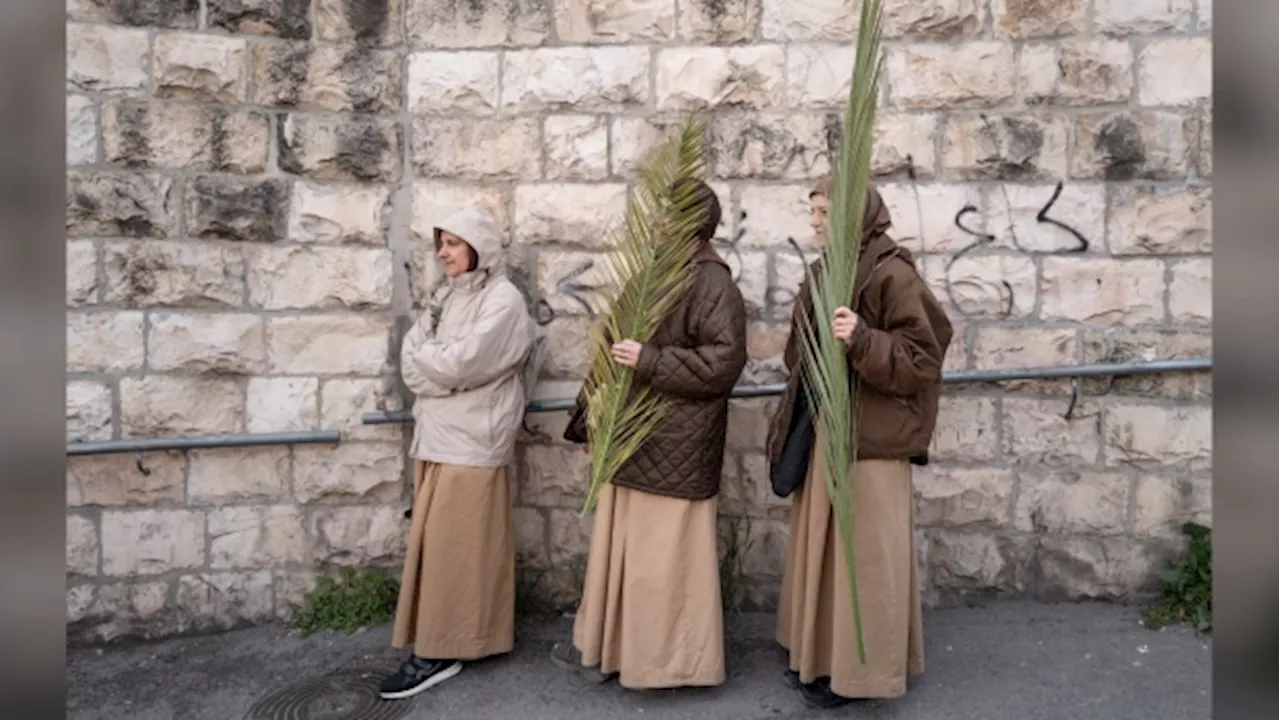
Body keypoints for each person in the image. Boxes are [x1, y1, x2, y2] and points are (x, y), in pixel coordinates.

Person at [552, 179, 748, 690]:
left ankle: (671, 665)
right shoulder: (650, 274)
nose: (656, 220)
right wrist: (588, 417)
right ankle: (617, 651)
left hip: (678, 444)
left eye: (667, 212)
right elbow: (612, 349)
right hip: (633, 440)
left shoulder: (712, 283)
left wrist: (653, 360)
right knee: (630, 558)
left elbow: (724, 363)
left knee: (665, 563)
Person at [767, 177, 953, 708]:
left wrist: (863, 339)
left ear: (853, 215)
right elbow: (796, 357)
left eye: (825, 212)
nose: (816, 222)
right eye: (813, 212)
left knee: (864, 559)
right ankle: (822, 659)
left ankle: (863, 674)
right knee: (826, 552)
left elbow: (924, 358)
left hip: (872, 442)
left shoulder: (892, 273)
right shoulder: (829, 272)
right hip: (831, 431)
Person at [381, 208, 535, 700]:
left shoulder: (504, 301)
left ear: (478, 246)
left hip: (474, 441)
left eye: (453, 242)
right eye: (440, 244)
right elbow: (415, 357)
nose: (443, 253)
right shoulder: (446, 296)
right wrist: (441, 374)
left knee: (459, 550)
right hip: (440, 436)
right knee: (446, 548)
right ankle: (459, 640)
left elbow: (467, 361)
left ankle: (441, 649)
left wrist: (439, 373)